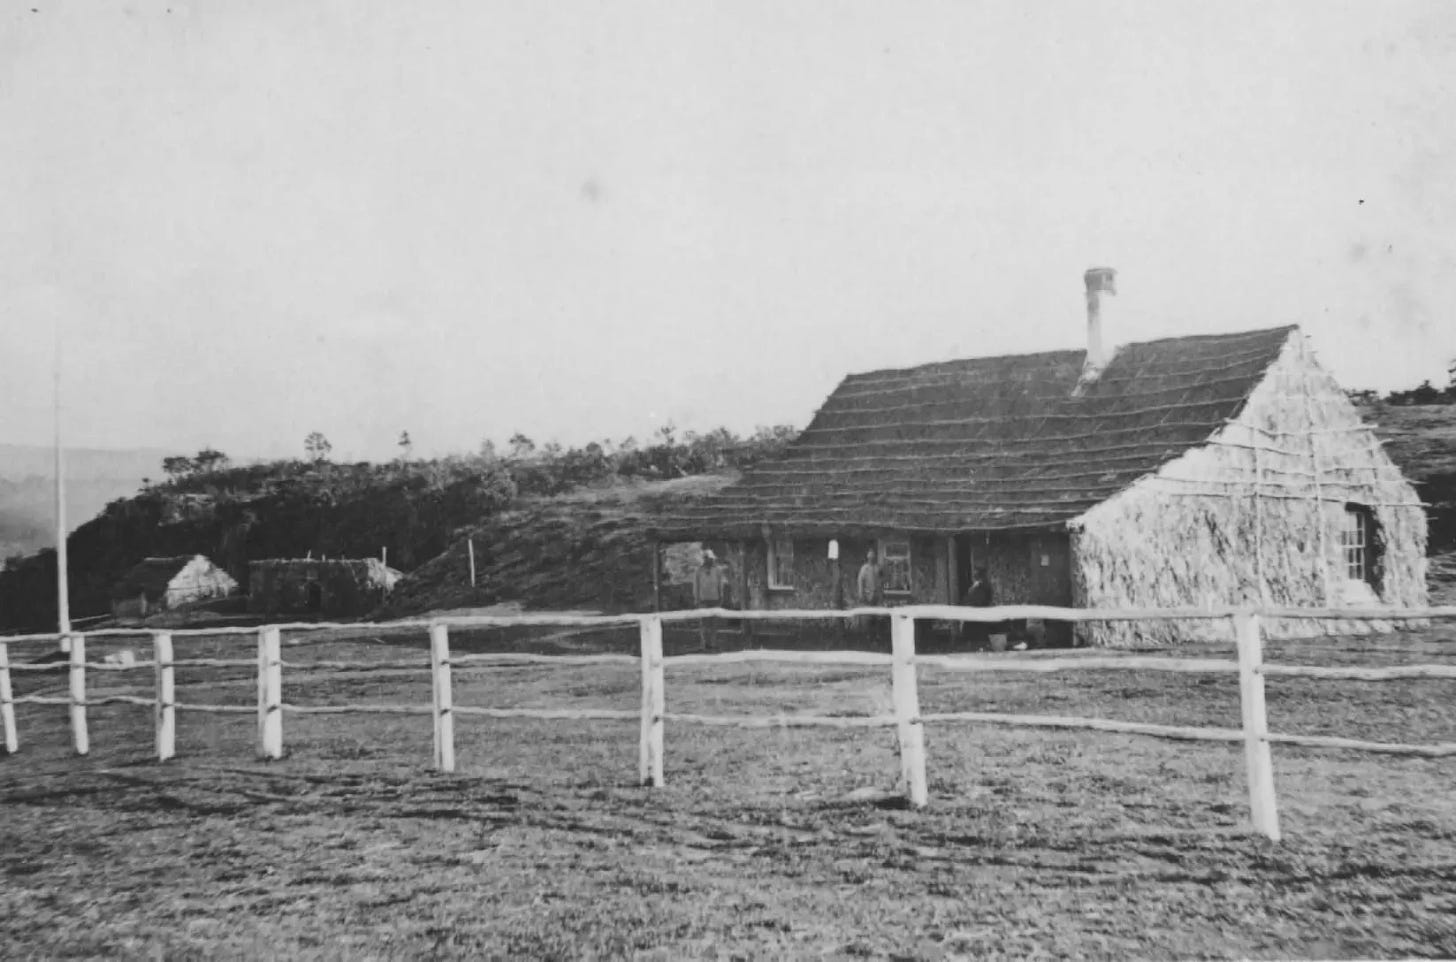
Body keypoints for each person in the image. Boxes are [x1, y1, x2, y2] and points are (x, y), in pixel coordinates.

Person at [692, 549, 733, 651]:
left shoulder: (717, 570)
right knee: (703, 623)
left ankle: (713, 644)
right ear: (704, 559)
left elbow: (721, 585)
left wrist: (721, 597)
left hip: (715, 599)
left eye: (711, 559)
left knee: (714, 624)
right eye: (708, 559)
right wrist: (696, 599)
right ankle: (704, 644)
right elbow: (696, 586)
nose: (710, 561)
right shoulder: (699, 571)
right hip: (703, 600)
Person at [961, 567, 994, 647]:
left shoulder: (981, 587)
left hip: (977, 618)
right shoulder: (977, 587)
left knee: (978, 640)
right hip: (975, 618)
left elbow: (978, 601)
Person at [855, 549, 883, 637]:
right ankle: (868, 635)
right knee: (868, 616)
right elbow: (860, 581)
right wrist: (861, 593)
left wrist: (880, 593)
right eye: (870, 557)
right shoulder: (864, 568)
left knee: (877, 616)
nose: (871, 559)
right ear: (868, 558)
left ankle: (877, 635)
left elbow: (881, 580)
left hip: (876, 595)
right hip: (867, 595)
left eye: (873, 557)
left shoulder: (877, 568)